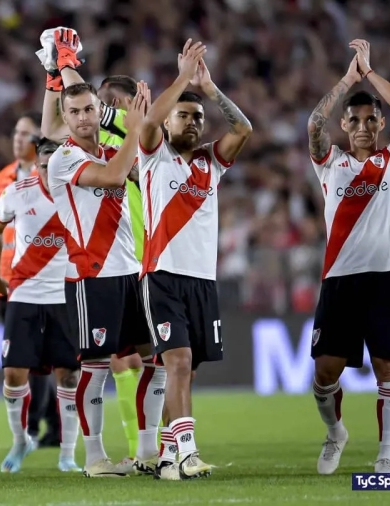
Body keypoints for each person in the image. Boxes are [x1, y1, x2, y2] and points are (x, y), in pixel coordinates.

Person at [44, 41, 165, 473]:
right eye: (73, 112)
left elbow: (144, 169)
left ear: (99, 112)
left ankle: (149, 449)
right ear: (65, 118)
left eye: (88, 110)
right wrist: (136, 128)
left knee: (157, 358)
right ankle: (95, 457)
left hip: (131, 273)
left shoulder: (114, 150)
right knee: (94, 367)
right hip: (91, 277)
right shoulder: (63, 159)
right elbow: (115, 179)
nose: (81, 118)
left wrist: (144, 128)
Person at [138, 39, 253, 480]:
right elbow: (147, 121)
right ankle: (186, 451)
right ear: (168, 122)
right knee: (179, 363)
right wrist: (184, 78)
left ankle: (168, 457)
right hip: (161, 276)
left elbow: (243, 129)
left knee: (187, 371)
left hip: (202, 280)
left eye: (198, 118)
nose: (193, 122)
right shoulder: (152, 157)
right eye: (184, 115)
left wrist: (211, 91)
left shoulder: (210, 163)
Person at [306, 39, 390, 475]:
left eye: (372, 119)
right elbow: (315, 122)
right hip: (339, 281)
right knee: (324, 375)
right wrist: (348, 79)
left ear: (381, 122)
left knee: (388, 368)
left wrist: (369, 73)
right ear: (345, 127)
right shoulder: (330, 162)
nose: (365, 126)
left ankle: (385, 458)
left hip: (385, 280)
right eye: (355, 120)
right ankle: (336, 433)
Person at [0, 137, 81, 474]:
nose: (50, 170)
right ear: (36, 163)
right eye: (44, 164)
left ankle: (67, 454)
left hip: (65, 296)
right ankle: (20, 439)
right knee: (13, 373)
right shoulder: (17, 191)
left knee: (68, 376)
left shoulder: (79, 192)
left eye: (56, 163)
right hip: (24, 295)